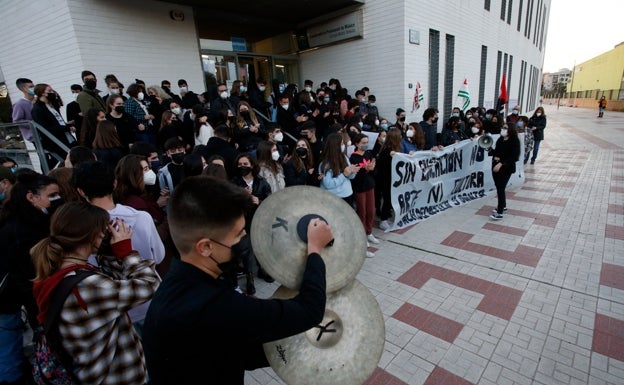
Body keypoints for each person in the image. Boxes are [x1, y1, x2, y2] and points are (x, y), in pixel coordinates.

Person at [142, 176, 333, 384]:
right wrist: (314, 249)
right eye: (239, 234)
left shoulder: (177, 281)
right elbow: (310, 311)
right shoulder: (214, 306)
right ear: (205, 247)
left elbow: (228, 351)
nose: (244, 240)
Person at [31, 202, 160, 385]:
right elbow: (149, 285)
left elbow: (112, 284)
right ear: (92, 235)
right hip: (114, 377)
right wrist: (127, 252)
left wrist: (107, 253)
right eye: (103, 230)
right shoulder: (87, 286)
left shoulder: (60, 270)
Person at [73, 161, 165, 330]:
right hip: (150, 296)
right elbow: (158, 256)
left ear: (81, 191)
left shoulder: (80, 227)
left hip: (115, 306)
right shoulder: (141, 218)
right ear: (114, 183)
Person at [0, 173, 60, 385]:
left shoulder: (18, 221)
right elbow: (27, 275)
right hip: (22, 300)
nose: (56, 199)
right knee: (9, 350)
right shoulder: (24, 231)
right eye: (51, 195)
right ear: (31, 197)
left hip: (22, 299)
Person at [231, 153, 273, 293]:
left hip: (259, 221)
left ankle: (263, 270)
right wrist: (242, 197)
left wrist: (258, 201)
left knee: (261, 246)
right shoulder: (234, 183)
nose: (242, 167)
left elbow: (271, 202)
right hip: (243, 223)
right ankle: (250, 278)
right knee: (248, 250)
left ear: (252, 165)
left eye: (245, 164)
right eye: (240, 164)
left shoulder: (261, 182)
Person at [30, 84, 73, 168]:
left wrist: (67, 126)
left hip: (65, 138)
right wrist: (66, 128)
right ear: (42, 93)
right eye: (49, 91)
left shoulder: (51, 105)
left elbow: (57, 121)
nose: (52, 92)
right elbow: (46, 128)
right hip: (55, 142)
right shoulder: (38, 109)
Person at [349, 134, 378, 257]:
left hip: (370, 185)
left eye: (367, 142)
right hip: (360, 187)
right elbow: (354, 175)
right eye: (363, 142)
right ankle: (362, 236)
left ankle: (369, 232)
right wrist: (364, 169)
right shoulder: (353, 157)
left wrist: (372, 167)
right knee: (362, 212)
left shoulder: (368, 154)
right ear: (356, 144)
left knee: (371, 211)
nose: (365, 144)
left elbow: (373, 169)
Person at [489, 123, 521, 220]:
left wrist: (501, 163)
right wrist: (490, 149)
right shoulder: (500, 139)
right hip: (495, 165)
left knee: (500, 188)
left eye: (506, 128)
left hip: (506, 167)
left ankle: (499, 212)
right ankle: (503, 205)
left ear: (510, 130)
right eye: (503, 127)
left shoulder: (514, 141)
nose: (503, 129)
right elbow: (497, 152)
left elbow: (514, 156)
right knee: (498, 186)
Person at [319, 133, 360, 206]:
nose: (343, 146)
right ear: (335, 146)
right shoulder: (325, 164)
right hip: (333, 198)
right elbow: (328, 184)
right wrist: (344, 175)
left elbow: (350, 177)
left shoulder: (344, 157)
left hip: (347, 194)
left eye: (343, 143)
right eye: (341, 144)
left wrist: (352, 171)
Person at [375, 128, 402, 230]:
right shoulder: (387, 151)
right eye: (399, 136)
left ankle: (385, 217)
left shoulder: (390, 149)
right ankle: (383, 220)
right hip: (386, 180)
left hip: (390, 179)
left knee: (389, 199)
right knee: (387, 199)